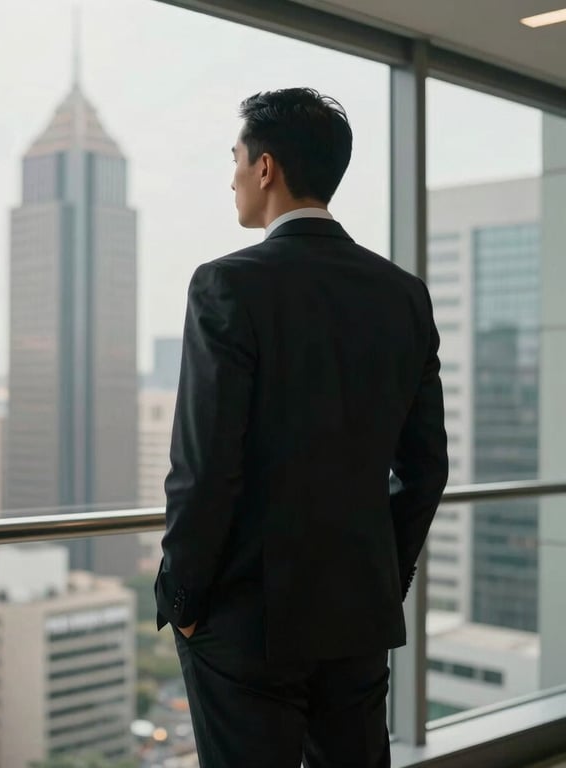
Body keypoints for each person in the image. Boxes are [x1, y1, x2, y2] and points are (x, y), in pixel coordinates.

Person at [154, 87, 449, 768]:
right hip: (355, 609)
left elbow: (204, 468)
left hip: (245, 618)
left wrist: (185, 600)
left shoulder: (226, 285)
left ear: (265, 168)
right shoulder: (403, 293)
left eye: (235, 159)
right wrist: (382, 577)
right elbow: (426, 468)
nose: (230, 177)